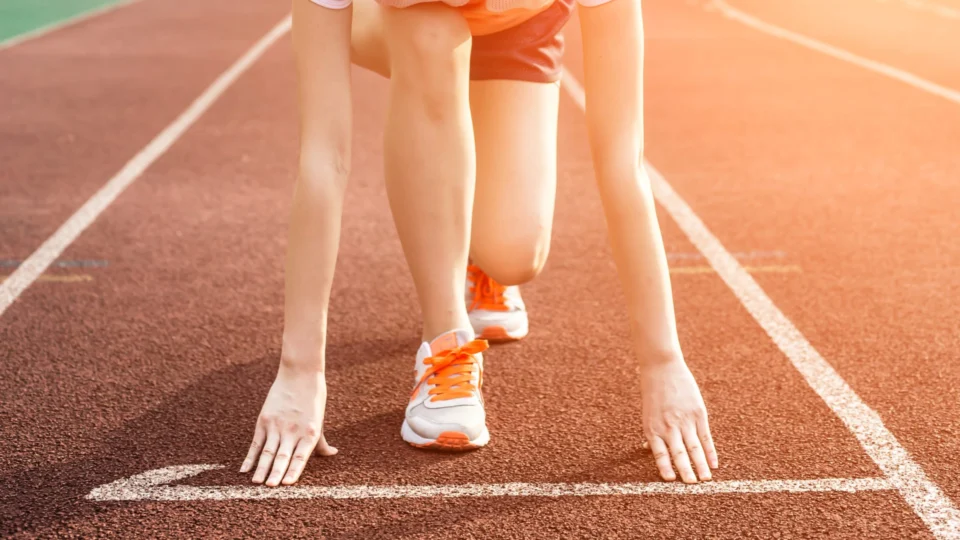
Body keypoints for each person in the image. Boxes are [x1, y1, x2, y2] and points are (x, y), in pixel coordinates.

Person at [240, 0, 718, 488]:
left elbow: (623, 160)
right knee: (432, 34)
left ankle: (477, 257)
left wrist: (663, 361)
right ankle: (446, 338)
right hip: (399, 23)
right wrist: (299, 370)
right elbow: (325, 158)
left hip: (517, 27)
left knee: (514, 254)